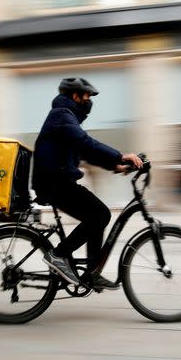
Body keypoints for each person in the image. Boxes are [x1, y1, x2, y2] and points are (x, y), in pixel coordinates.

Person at [33, 77, 143, 290]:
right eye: (87, 96)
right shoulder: (61, 116)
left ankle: (93, 272)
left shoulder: (67, 117)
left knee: (98, 216)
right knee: (100, 215)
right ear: (75, 96)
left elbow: (82, 151)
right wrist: (120, 156)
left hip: (57, 181)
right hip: (54, 183)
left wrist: (114, 165)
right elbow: (85, 143)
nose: (90, 101)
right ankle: (58, 255)